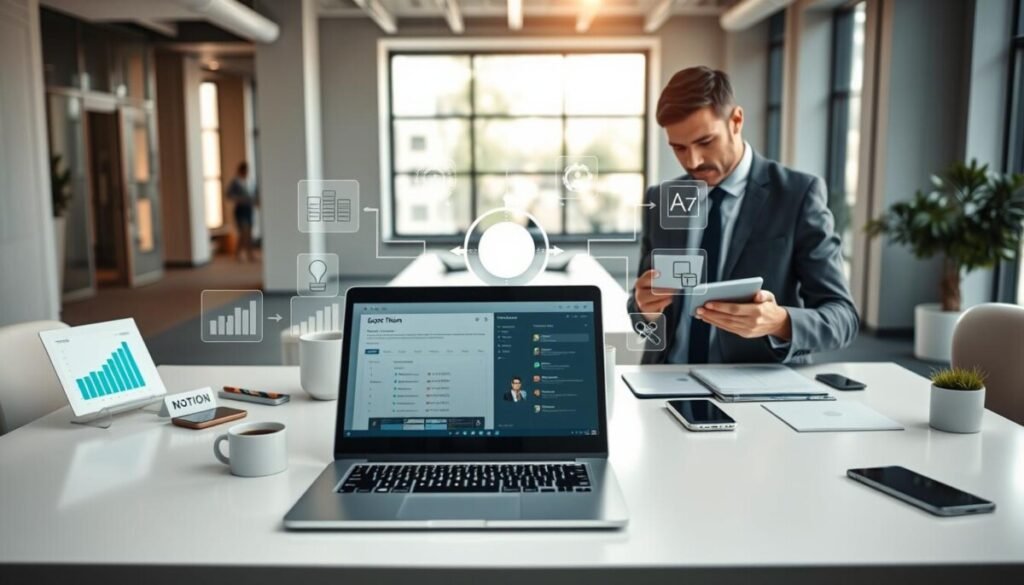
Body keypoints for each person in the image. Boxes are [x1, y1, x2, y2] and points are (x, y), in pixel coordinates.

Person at [628, 66, 858, 364]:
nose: (693, 161)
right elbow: (642, 319)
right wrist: (643, 308)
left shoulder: (797, 196)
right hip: (665, 381)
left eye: (705, 142)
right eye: (679, 148)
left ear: (736, 120)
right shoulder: (662, 199)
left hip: (755, 386)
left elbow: (843, 317)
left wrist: (779, 322)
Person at [226, 162, 257, 262]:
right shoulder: (235, 182)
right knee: (243, 232)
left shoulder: (250, 181)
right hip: (240, 209)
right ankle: (238, 254)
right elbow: (228, 195)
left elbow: (253, 194)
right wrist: (239, 199)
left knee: (249, 232)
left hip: (249, 209)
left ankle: (249, 254)